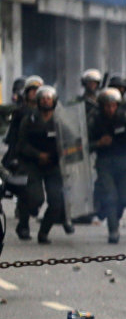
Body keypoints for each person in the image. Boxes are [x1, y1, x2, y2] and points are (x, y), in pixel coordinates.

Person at [18, 86, 74, 244]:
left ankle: (43, 232)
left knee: (56, 202)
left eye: (49, 98)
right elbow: (21, 145)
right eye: (42, 98)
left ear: (54, 101)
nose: (46, 101)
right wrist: (38, 155)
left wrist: (68, 152)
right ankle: (23, 223)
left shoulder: (60, 121)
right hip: (32, 165)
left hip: (53, 165)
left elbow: (72, 139)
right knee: (34, 199)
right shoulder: (29, 120)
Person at [89, 87, 126, 244]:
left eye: (113, 105)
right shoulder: (95, 121)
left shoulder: (125, 118)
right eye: (107, 106)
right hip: (104, 163)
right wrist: (98, 143)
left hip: (124, 162)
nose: (110, 109)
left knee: (125, 198)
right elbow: (84, 143)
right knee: (110, 196)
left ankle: (109, 213)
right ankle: (113, 230)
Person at [4, 76, 42, 240]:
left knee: (40, 197)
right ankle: (24, 226)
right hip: (24, 157)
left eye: (37, 91)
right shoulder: (20, 113)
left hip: (44, 157)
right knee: (26, 193)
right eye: (32, 91)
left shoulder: (48, 111)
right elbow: (13, 138)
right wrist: (13, 158)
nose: (34, 94)